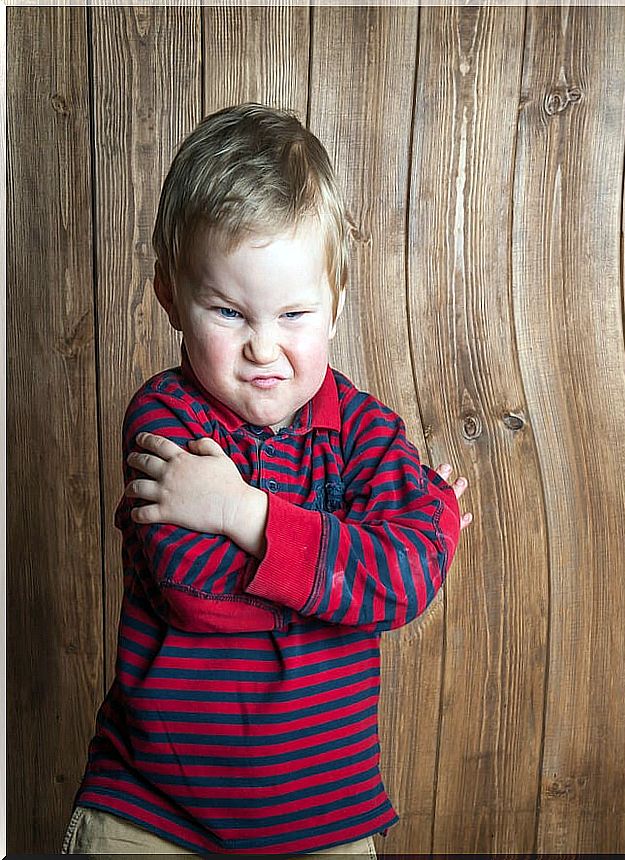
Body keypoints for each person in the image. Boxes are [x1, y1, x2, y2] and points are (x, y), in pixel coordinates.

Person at [62, 103, 472, 856]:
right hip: (152, 814)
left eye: (293, 313)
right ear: (170, 297)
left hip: (326, 824)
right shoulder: (168, 418)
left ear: (336, 306)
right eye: (228, 311)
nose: (263, 347)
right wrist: (361, 578)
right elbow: (197, 592)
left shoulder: (366, 431)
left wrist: (244, 512)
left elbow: (409, 581)